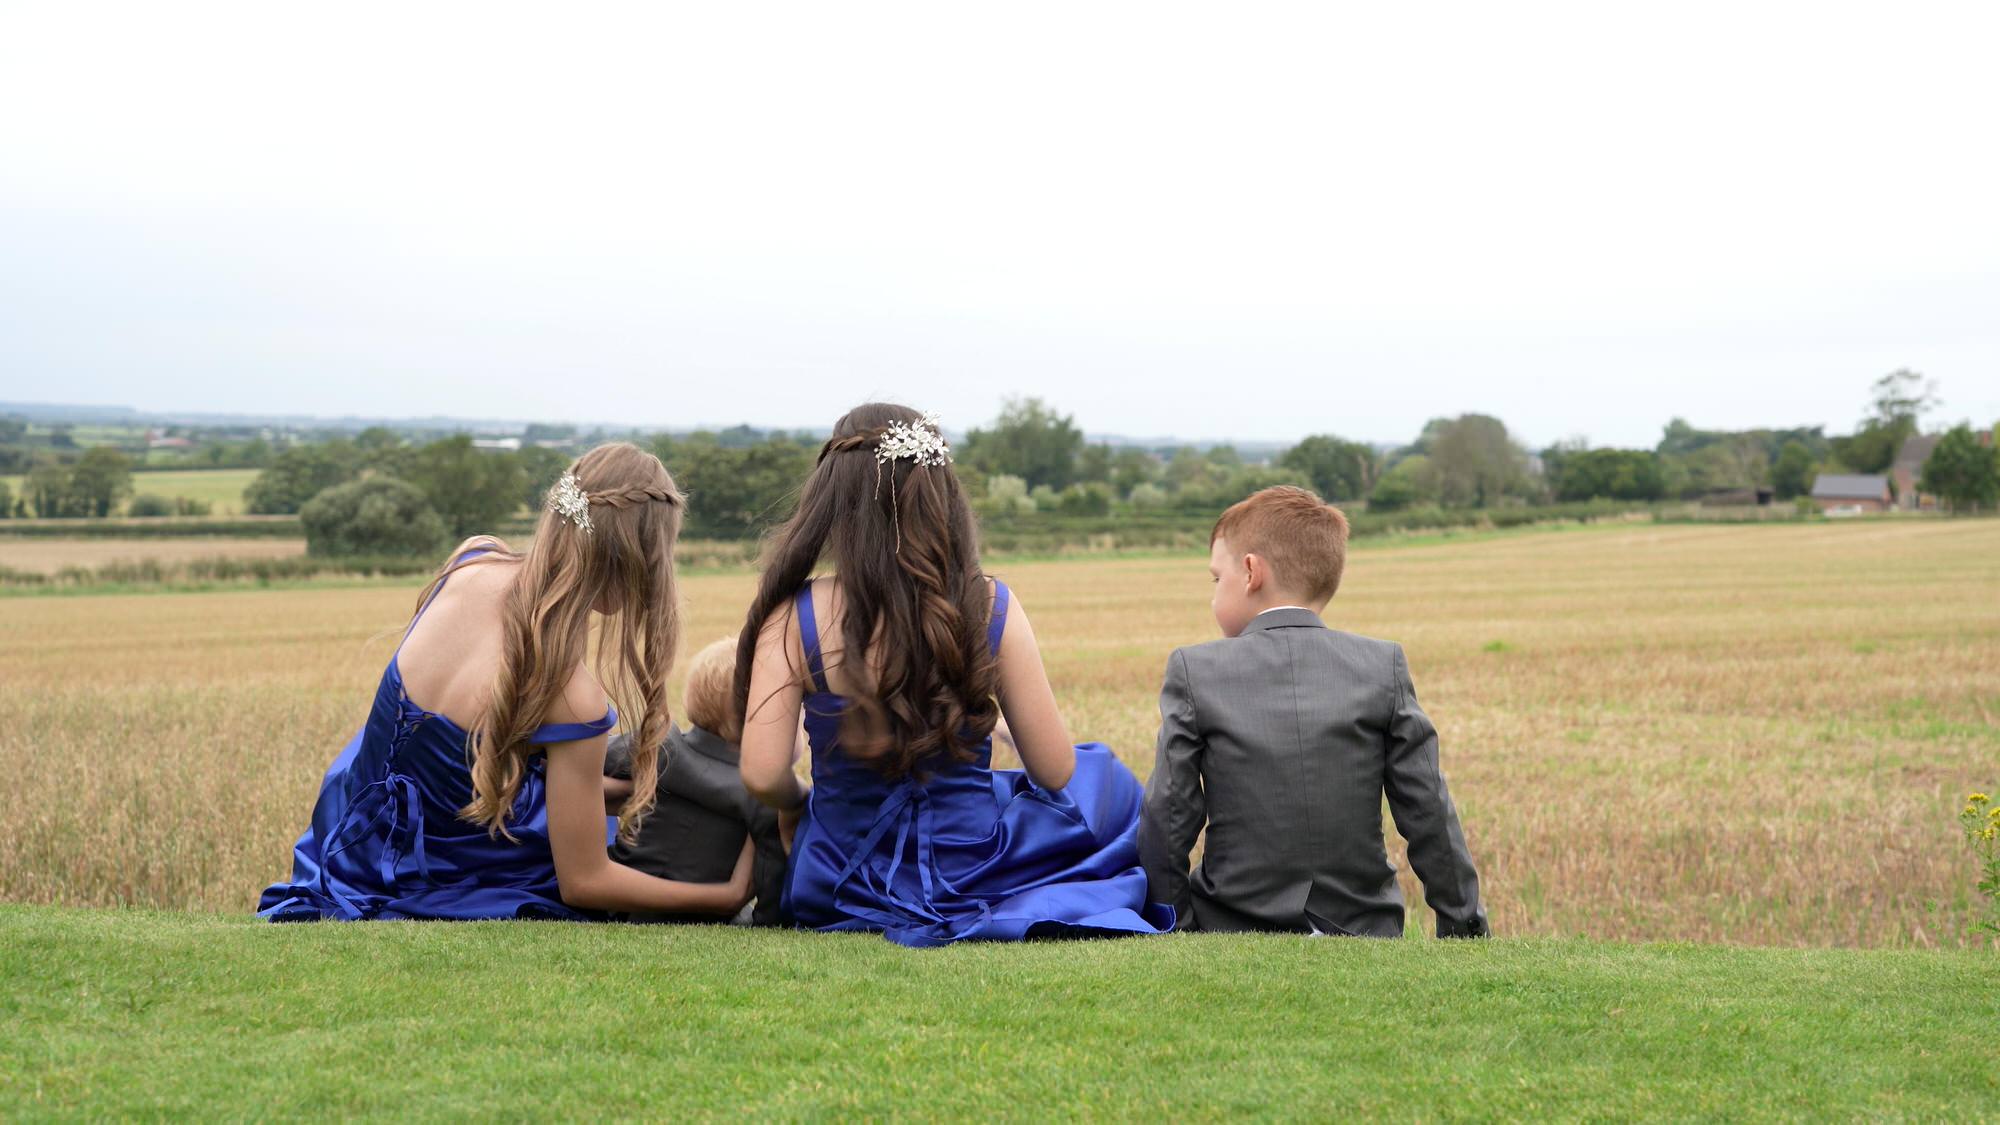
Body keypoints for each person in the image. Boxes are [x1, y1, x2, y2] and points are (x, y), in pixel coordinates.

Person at [734, 403, 1173, 946]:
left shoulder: (793, 617)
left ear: (832, 500)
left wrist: (802, 804)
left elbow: (760, 772)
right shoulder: (988, 606)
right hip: (969, 871)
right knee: (1103, 776)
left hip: (837, 878)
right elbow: (1055, 770)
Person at [258, 442, 753, 921]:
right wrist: (721, 898)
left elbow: (450, 768)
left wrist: (602, 792)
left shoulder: (471, 562)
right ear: (640, 558)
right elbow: (584, 883)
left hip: (348, 849)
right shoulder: (573, 697)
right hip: (448, 879)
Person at [1136, 486, 1489, 938]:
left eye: (1215, 579)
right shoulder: (1382, 664)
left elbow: (1169, 812)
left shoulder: (1196, 670)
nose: (1212, 595)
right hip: (1364, 925)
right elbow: (1427, 809)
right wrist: (1464, 927)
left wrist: (1173, 923)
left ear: (1250, 572)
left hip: (1230, 924)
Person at [600, 637, 787, 924]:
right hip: (702, 915)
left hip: (617, 903)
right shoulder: (761, 796)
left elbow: (590, 761)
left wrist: (637, 787)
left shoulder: (661, 746)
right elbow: (770, 887)